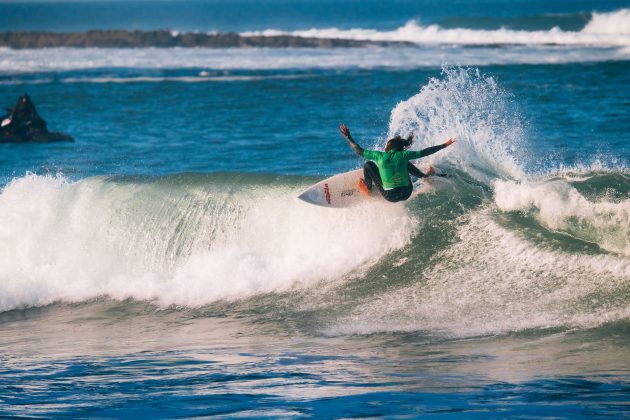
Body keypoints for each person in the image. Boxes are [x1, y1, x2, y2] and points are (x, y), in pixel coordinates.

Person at [339, 123, 455, 202]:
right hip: (407, 192)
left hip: (390, 197)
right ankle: (425, 177)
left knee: (368, 165)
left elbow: (359, 150)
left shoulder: (379, 156)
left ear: (388, 147)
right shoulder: (403, 155)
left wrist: (348, 137)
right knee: (405, 163)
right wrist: (445, 144)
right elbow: (426, 151)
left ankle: (368, 188)